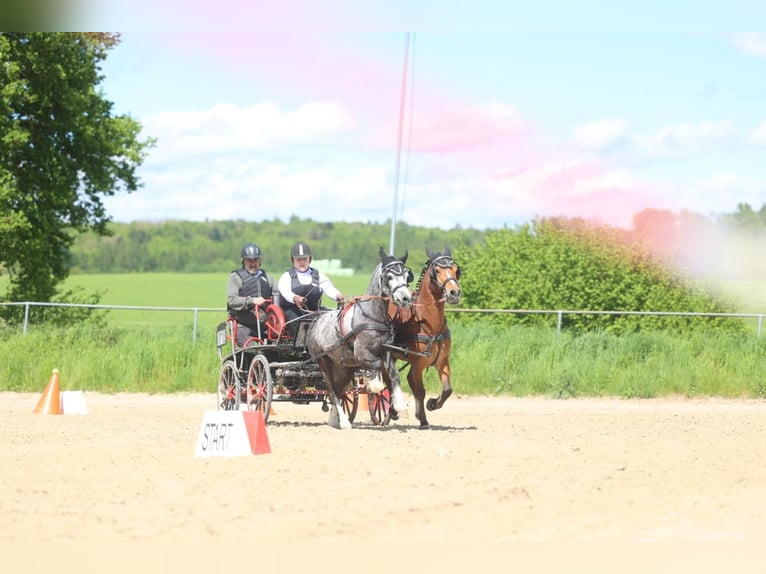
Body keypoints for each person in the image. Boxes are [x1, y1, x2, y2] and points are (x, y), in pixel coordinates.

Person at [278, 241, 344, 322]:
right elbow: (285, 292)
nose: (302, 262)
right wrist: (295, 298)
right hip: (293, 312)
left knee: (333, 317)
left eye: (304, 259)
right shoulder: (286, 276)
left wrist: (337, 295)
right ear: (293, 260)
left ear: (309, 259)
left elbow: (329, 288)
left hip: (315, 311)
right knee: (303, 321)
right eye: (298, 259)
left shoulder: (318, 275)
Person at [226, 242, 276, 346]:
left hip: (265, 326)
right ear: (243, 261)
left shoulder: (268, 278)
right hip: (242, 326)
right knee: (253, 348)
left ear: (259, 261)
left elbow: (277, 296)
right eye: (249, 260)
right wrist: (252, 300)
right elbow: (232, 300)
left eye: (255, 260)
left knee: (280, 347)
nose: (253, 264)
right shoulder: (235, 277)